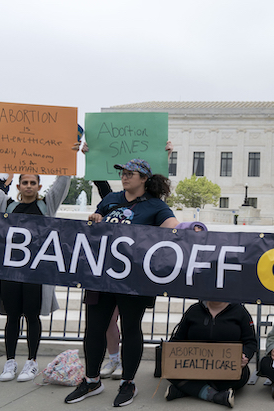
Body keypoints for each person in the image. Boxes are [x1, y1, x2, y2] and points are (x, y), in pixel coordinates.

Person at [65, 158, 180, 407]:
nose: (125, 177)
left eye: (131, 173)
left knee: (131, 329)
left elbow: (173, 229)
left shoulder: (155, 206)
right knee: (94, 328)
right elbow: (96, 221)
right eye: (123, 173)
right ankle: (92, 380)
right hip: (100, 276)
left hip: (133, 282)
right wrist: (95, 217)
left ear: (144, 179)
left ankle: (128, 383)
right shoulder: (110, 199)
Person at [0, 156, 77, 382]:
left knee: (32, 316)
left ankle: (31, 362)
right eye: (25, 183)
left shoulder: (46, 206)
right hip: (10, 273)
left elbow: (63, 181)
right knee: (12, 317)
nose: (29, 186)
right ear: (18, 186)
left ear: (39, 186)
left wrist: (69, 153)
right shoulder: (7, 205)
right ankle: (10, 362)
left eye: (33, 183)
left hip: (36, 274)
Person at [165, 300, 257, 408]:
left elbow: (251, 342)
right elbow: (177, 340)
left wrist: (244, 355)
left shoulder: (240, 311)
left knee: (242, 375)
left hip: (226, 370)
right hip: (194, 369)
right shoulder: (193, 310)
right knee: (169, 370)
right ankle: (216, 396)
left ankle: (187, 389)